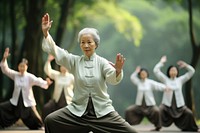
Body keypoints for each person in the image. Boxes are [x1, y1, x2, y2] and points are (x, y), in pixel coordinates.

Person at [41, 13, 137, 133]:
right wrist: (46, 33)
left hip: (103, 112)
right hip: (77, 112)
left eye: (89, 42)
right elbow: (56, 50)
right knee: (50, 120)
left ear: (96, 44)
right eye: (82, 42)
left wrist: (117, 70)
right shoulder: (74, 61)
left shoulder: (102, 62)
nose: (86, 45)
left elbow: (112, 79)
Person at [0, 47, 52, 129]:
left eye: (23, 66)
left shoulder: (29, 77)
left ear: (27, 67)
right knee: (2, 107)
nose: (22, 68)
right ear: (18, 67)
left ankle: (41, 126)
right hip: (16, 101)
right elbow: (5, 70)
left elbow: (38, 81)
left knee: (34, 115)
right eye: (20, 66)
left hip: (27, 101)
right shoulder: (15, 75)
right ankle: (2, 123)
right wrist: (4, 59)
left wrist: (46, 83)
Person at [153, 55, 199, 132]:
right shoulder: (165, 79)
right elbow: (156, 71)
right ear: (169, 72)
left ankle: (193, 127)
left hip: (179, 105)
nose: (173, 71)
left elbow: (192, 71)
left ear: (177, 72)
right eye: (171, 70)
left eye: (175, 70)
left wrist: (186, 66)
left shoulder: (180, 80)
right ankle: (157, 126)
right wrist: (161, 62)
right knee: (159, 111)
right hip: (167, 105)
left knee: (189, 113)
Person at [125, 66, 169, 131]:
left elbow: (157, 85)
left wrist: (165, 87)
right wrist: (136, 72)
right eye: (141, 74)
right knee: (128, 110)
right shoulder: (138, 82)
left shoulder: (150, 82)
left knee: (156, 111)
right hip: (139, 105)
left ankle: (158, 126)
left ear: (147, 74)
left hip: (150, 105)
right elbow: (132, 78)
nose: (143, 75)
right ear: (140, 75)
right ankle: (127, 126)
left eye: (144, 73)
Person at [42, 54, 74, 121]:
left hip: (68, 101)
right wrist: (48, 61)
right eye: (62, 66)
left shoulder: (71, 77)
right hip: (56, 100)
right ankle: (45, 123)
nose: (63, 68)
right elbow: (48, 71)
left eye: (65, 66)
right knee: (46, 108)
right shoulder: (57, 75)